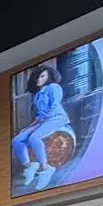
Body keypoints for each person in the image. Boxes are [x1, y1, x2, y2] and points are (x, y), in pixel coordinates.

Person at [13, 63, 74, 191]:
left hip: (56, 118)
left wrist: (41, 125)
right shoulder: (37, 95)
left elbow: (55, 105)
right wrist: (29, 127)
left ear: (49, 76)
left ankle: (46, 168)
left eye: (42, 76)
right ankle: (30, 166)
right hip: (43, 121)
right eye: (37, 77)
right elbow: (39, 115)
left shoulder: (53, 87)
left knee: (34, 138)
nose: (39, 79)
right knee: (17, 140)